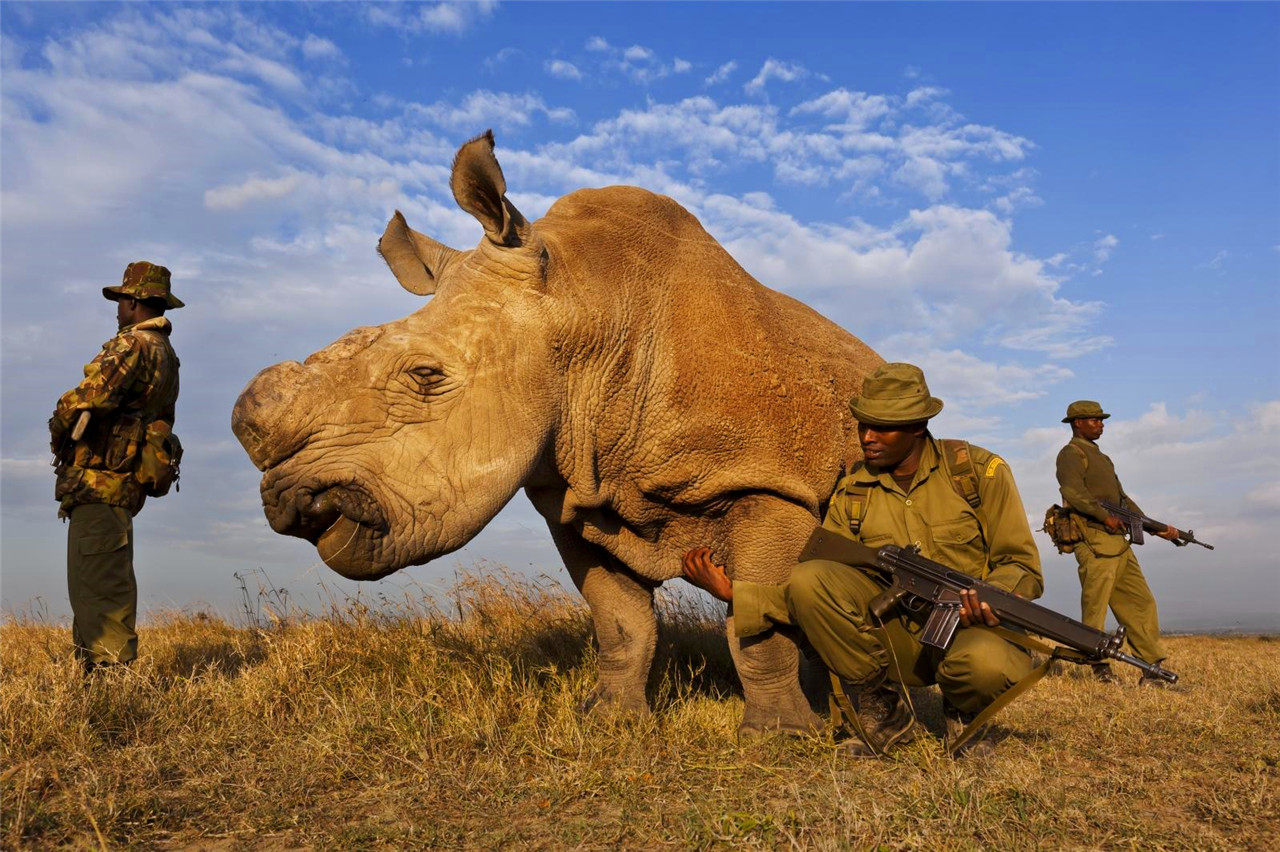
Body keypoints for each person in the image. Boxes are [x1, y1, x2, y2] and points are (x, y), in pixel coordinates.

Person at [682, 362, 1042, 757]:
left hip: (969, 630)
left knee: (987, 664)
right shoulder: (853, 492)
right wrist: (734, 592)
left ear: (918, 427)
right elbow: (812, 592)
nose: (867, 437)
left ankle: (965, 712)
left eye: (882, 427)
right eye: (862, 425)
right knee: (810, 577)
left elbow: (1021, 566)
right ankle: (883, 712)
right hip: (896, 638)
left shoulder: (977, 473)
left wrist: (989, 598)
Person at [49, 261, 183, 673]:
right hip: (119, 488)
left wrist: (59, 422)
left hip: (99, 483)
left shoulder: (131, 345)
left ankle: (113, 692)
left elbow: (85, 400)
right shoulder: (167, 355)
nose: (118, 308)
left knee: (101, 592)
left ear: (137, 302)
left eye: (123, 299)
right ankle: (95, 682)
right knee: (96, 586)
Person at [1055, 401, 1177, 687]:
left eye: (1101, 419)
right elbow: (1073, 493)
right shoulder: (1070, 454)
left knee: (1139, 601)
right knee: (1095, 606)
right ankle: (1099, 668)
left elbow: (1123, 501)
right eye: (1094, 420)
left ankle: (1151, 668)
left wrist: (1153, 526)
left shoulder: (1103, 457)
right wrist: (1103, 516)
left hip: (1118, 542)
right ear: (1077, 423)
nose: (1101, 424)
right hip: (1094, 539)